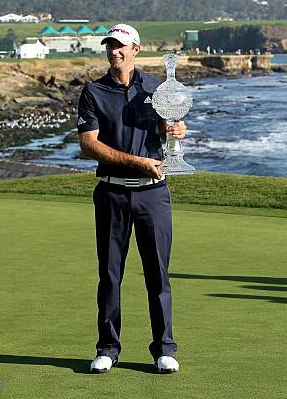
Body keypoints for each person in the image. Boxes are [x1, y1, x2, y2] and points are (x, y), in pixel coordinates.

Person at [77, 23, 186, 374]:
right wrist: (137, 162)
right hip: (111, 192)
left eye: (121, 46)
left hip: (153, 195)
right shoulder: (93, 91)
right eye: (110, 46)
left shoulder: (156, 88)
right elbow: (89, 144)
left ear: (136, 49)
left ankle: (164, 348)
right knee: (110, 275)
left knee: (158, 274)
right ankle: (108, 348)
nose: (115, 52)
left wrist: (175, 130)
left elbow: (166, 129)